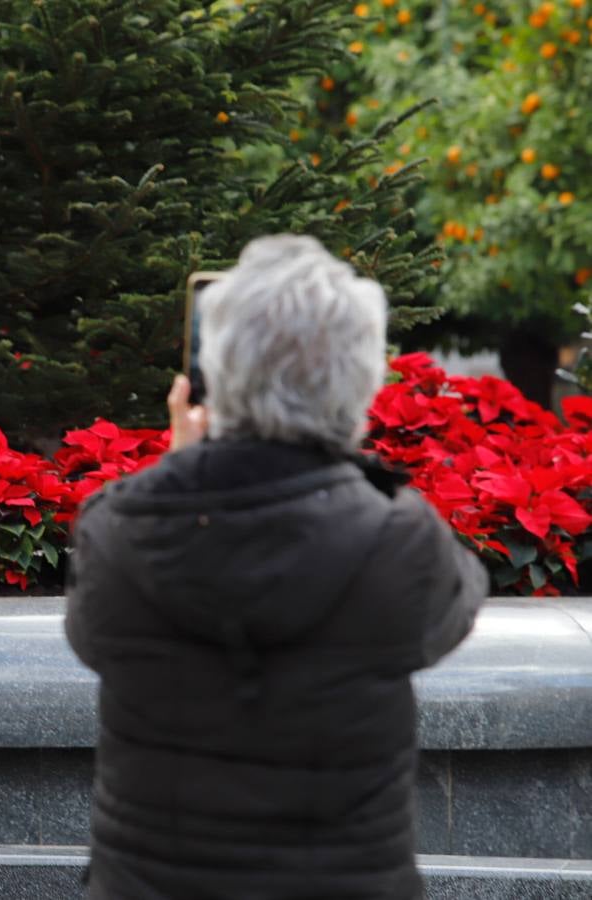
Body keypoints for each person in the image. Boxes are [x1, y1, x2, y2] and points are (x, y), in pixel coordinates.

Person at [65, 235, 488, 900]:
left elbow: (92, 643)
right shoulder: (399, 542)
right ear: (359, 382)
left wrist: (182, 466)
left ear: (215, 372)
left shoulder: (117, 533)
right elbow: (457, 606)